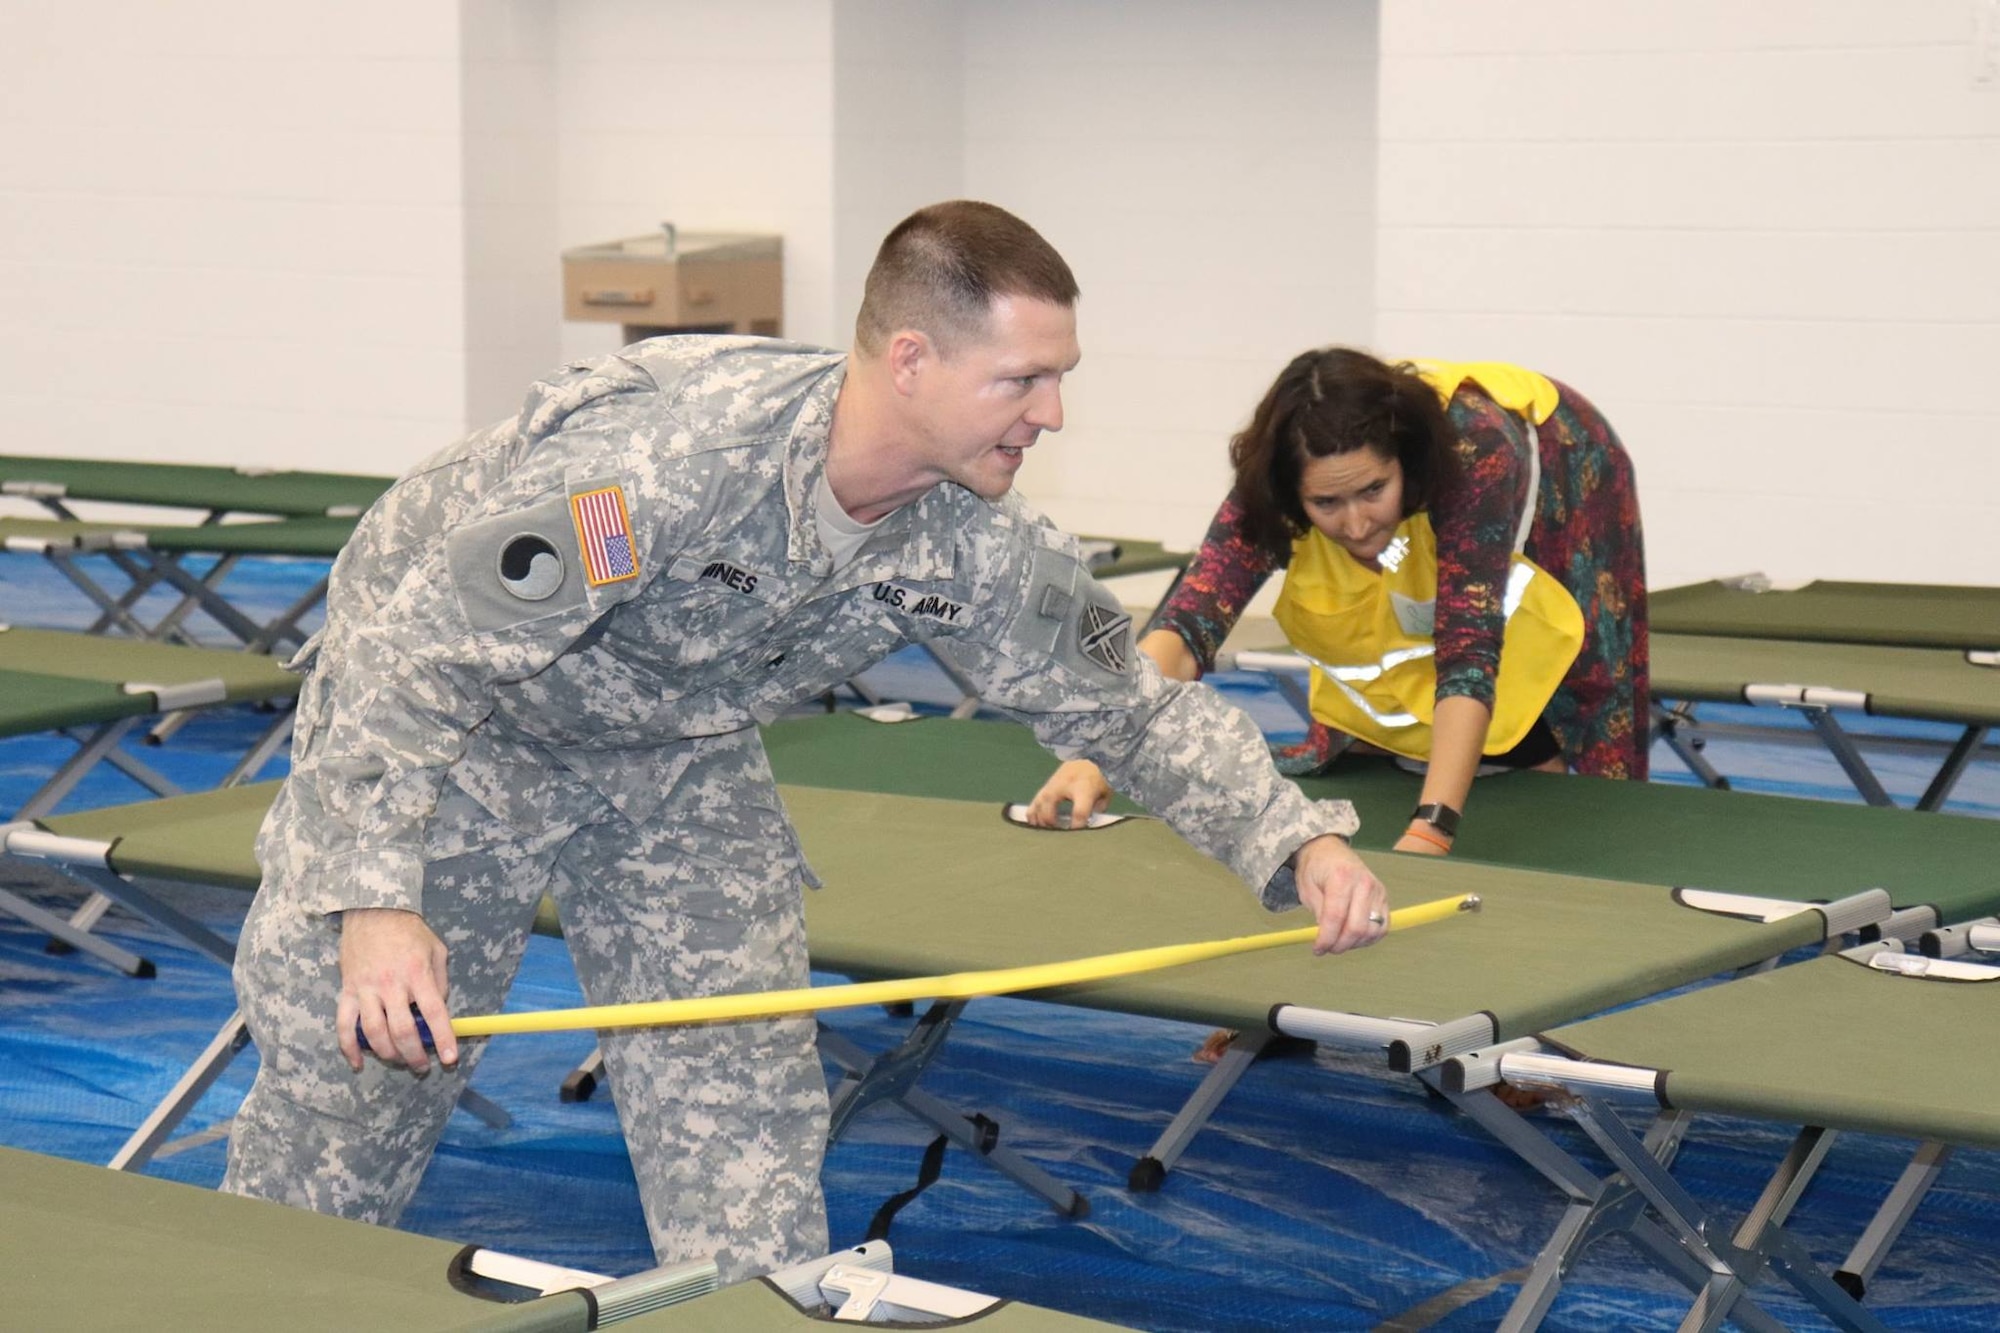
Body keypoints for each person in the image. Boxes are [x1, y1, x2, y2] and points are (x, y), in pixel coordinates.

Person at [219, 202, 1389, 1283]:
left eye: (1059, 378)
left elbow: (1125, 703)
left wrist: (1294, 844)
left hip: (672, 744)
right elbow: (414, 655)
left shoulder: (975, 533)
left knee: (741, 1112)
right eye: (1022, 379)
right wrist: (373, 901)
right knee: (362, 1085)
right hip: (465, 723)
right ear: (911, 361)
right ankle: (255, 1300)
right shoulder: (665, 462)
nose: (1052, 414)